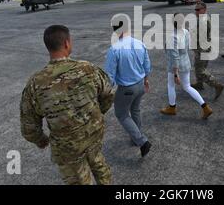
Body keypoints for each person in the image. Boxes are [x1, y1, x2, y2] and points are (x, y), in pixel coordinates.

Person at [20, 25, 114, 185]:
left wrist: (41, 140)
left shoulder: (35, 83)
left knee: (78, 179)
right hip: (93, 135)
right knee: (99, 164)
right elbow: (108, 94)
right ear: (66, 44)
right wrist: (97, 115)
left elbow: (29, 126)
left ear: (48, 47)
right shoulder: (88, 69)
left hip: (66, 147)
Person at [104, 19, 152, 158]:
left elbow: (110, 75)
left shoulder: (114, 49)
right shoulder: (140, 43)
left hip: (127, 89)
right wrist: (146, 79)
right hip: (141, 84)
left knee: (121, 114)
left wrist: (106, 92)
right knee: (135, 110)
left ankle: (142, 141)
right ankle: (136, 138)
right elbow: (147, 65)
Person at [161, 13, 213, 119]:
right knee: (187, 87)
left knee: (171, 85)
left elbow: (174, 57)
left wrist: (176, 74)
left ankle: (172, 107)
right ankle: (205, 107)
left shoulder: (172, 37)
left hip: (175, 65)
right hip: (185, 62)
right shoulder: (186, 32)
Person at [191, 2, 224, 99]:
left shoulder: (203, 21)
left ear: (204, 9)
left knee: (200, 69)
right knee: (200, 67)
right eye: (195, 10)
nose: (196, 12)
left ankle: (217, 85)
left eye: (198, 9)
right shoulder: (202, 18)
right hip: (203, 48)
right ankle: (199, 84)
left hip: (202, 49)